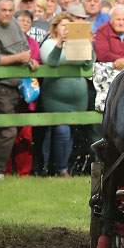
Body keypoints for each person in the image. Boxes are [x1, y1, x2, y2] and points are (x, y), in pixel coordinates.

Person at [0, 0, 38, 178]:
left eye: (10, 10)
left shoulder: (13, 24)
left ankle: (0, 170)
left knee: (18, 130)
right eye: (3, 10)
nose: (7, 14)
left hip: (19, 85)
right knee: (7, 129)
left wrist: (31, 61)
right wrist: (19, 58)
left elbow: (24, 49)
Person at [39, 13, 92, 176]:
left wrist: (88, 45)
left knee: (70, 133)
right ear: (55, 28)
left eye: (69, 26)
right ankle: (61, 169)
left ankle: (64, 167)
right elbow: (51, 61)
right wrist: (60, 43)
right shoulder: (49, 43)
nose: (66, 29)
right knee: (62, 131)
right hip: (55, 99)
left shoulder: (77, 44)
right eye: (63, 26)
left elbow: (89, 62)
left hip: (78, 99)